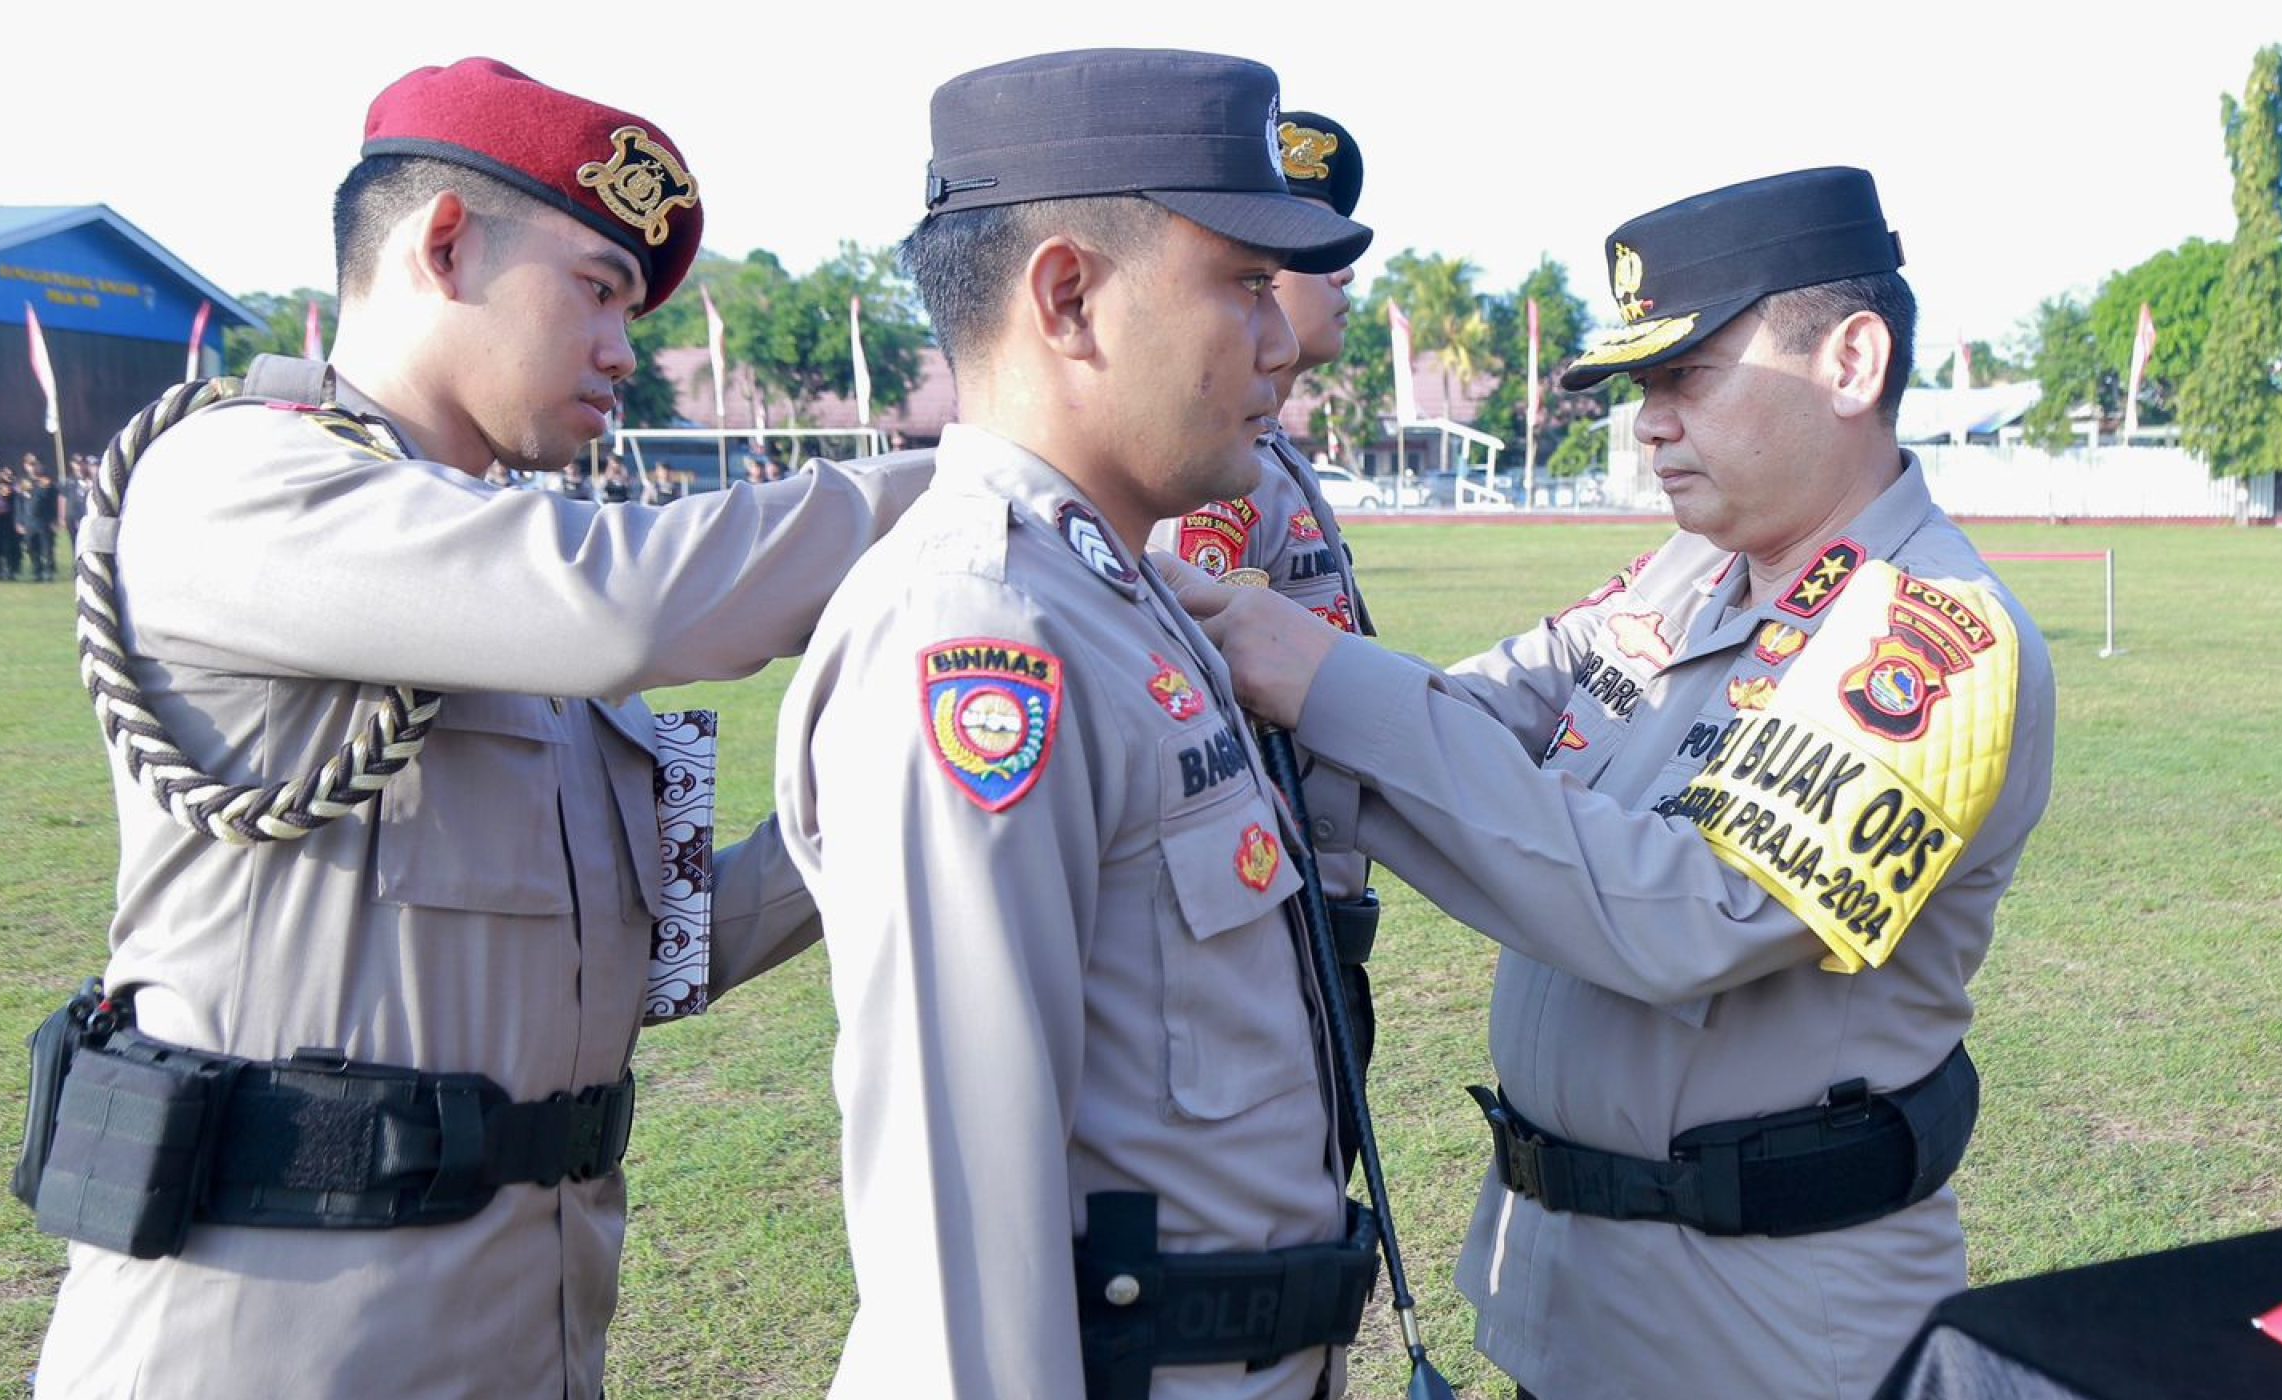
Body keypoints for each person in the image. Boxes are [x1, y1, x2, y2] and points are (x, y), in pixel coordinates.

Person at [30, 56, 928, 1399]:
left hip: (533, 1324)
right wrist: (991, 481)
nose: (626, 348)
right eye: (600, 289)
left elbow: (664, 956)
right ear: (445, 246)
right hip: (270, 1341)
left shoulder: (517, 589)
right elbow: (627, 605)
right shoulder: (238, 482)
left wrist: (906, 773)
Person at [1178, 167, 2058, 1398]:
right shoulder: (1689, 576)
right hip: (1582, 1298)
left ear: (1851, 362)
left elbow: (1688, 916)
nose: (1648, 420)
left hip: (1768, 1335)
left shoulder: (1928, 633)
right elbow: (1471, 713)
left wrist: (1323, 679)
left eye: (1686, 374)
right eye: (1645, 384)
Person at [775, 48, 1377, 1399]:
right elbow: (962, 1273)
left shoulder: (1109, 589)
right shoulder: (984, 632)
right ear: (1069, 297)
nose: (1280, 337)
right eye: (1240, 284)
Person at [1148, 106, 1384, 1087]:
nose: (1341, 275)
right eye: (1303, 251)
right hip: (1273, 907)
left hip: (1315, 900)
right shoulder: (1219, 465)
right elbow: (1214, 689)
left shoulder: (1272, 448)